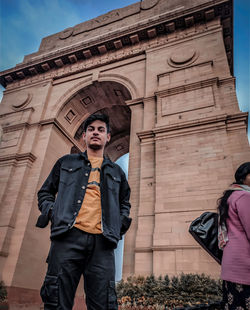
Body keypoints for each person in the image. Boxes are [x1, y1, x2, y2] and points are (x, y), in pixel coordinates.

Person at [36, 114, 132, 310]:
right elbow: (45, 192)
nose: (95, 132)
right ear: (84, 136)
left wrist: (118, 224)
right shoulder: (65, 163)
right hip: (67, 238)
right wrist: (53, 212)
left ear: (108, 137)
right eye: (91, 129)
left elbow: (125, 203)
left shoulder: (117, 172)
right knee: (56, 301)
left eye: (101, 129)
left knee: (104, 303)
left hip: (103, 244)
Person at [217, 162, 250, 309]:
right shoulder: (244, 196)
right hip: (244, 263)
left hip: (231, 263)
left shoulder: (229, 196)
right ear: (245, 177)